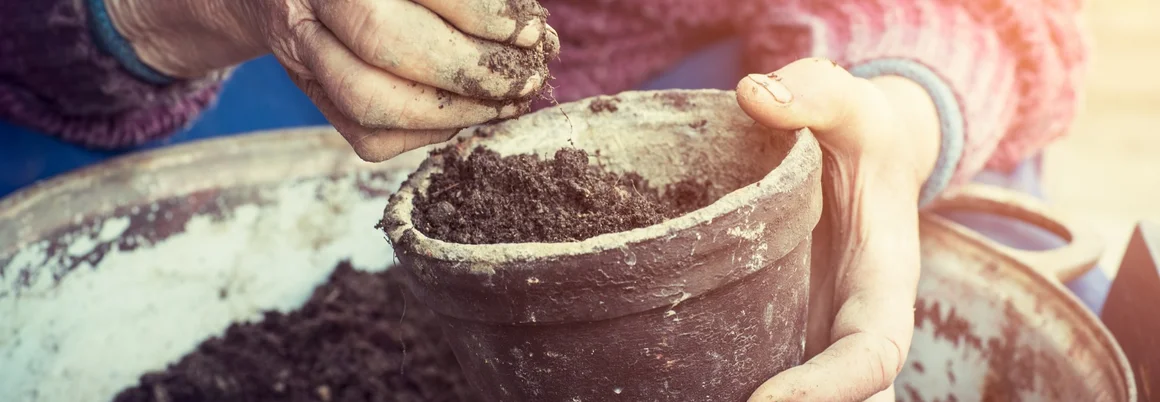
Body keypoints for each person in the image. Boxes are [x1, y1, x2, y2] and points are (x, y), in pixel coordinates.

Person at [0, 0, 1106, 400]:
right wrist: (159, 16)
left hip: (720, 82)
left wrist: (894, 110)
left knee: (1063, 297)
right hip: (247, 94)